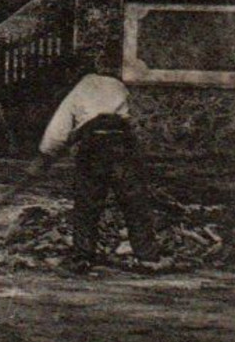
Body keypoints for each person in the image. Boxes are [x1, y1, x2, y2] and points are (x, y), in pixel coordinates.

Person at [31, 57, 163, 273]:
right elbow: (133, 121)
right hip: (123, 145)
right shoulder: (119, 86)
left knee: (87, 202)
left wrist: (45, 156)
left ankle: (83, 257)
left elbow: (59, 129)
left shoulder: (81, 88)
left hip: (95, 147)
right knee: (134, 201)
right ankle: (148, 257)